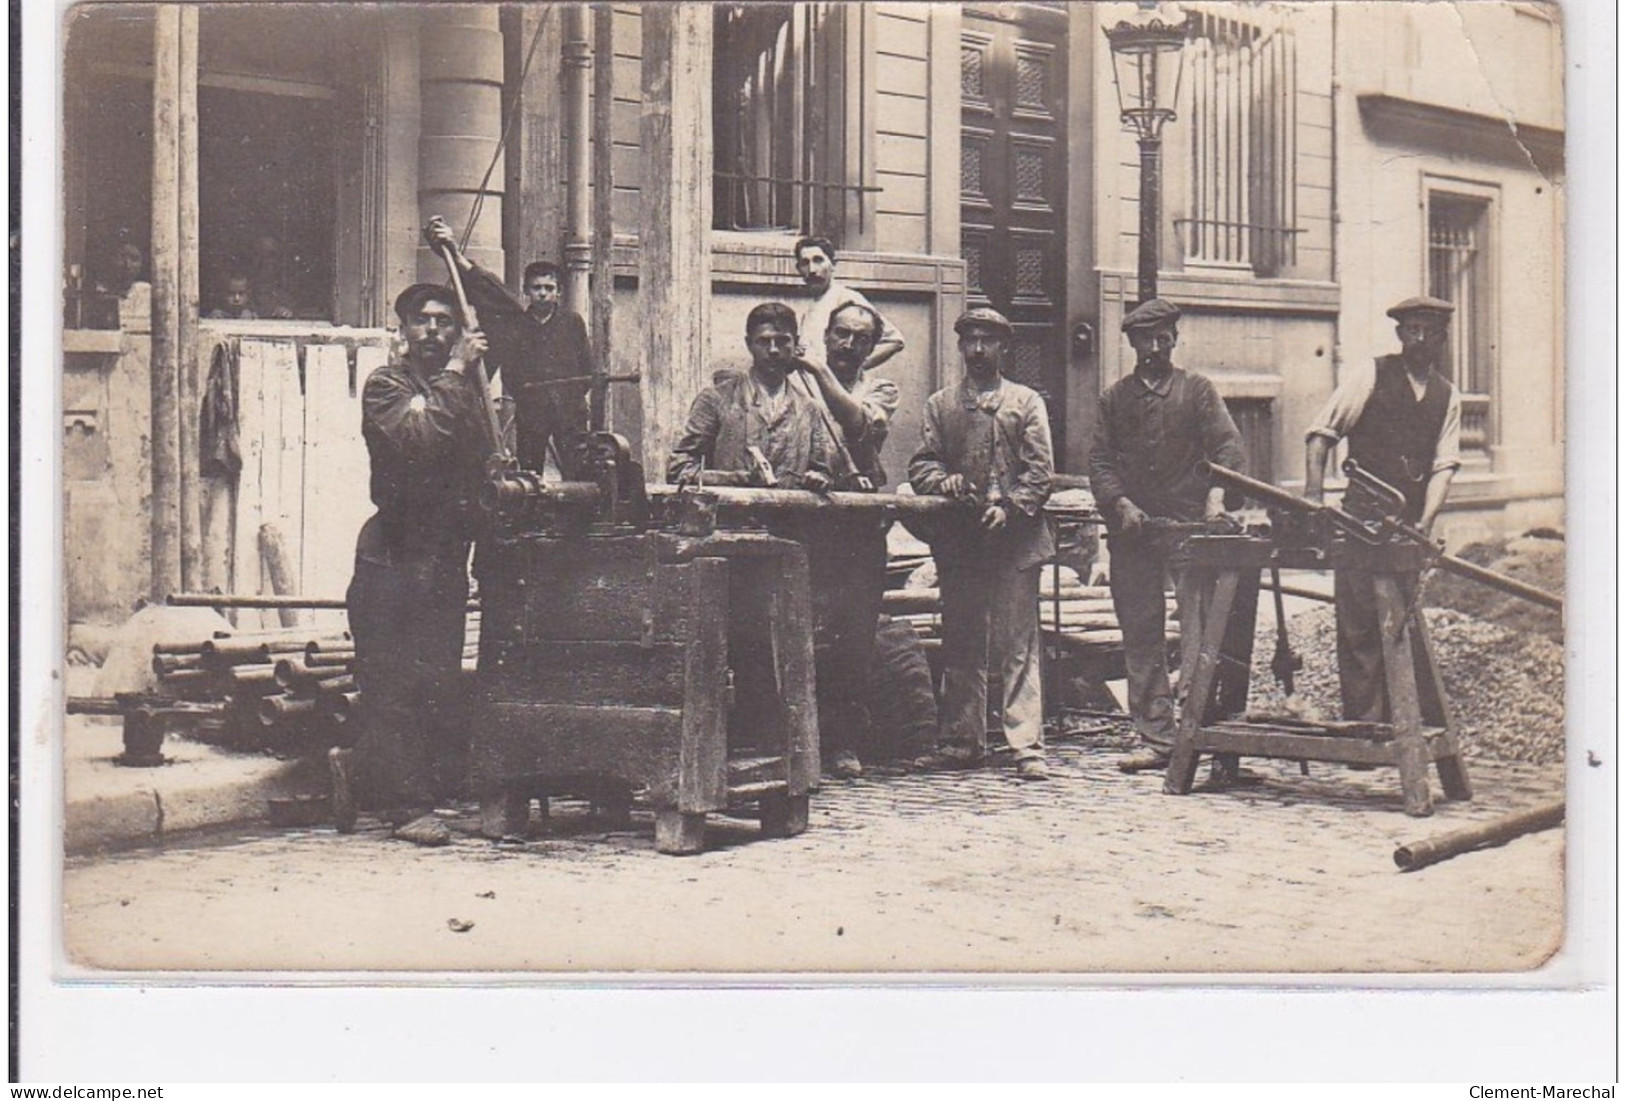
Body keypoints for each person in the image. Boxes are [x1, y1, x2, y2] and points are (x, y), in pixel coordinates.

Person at [335, 282, 490, 846]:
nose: (433, 330)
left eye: (444, 322)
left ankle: (358, 772)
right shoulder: (387, 386)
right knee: (393, 682)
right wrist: (456, 374)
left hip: (444, 556)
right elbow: (419, 439)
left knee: (435, 683)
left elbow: (475, 463)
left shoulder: (462, 388)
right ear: (402, 329)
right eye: (422, 320)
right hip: (392, 559)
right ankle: (405, 808)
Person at [1087, 298, 1245, 772]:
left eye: (1163, 339)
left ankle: (1200, 730)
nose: (1155, 348)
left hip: (1189, 532)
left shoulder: (1197, 391)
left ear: (1174, 340)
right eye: (1145, 340)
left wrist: (1216, 498)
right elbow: (1098, 462)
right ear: (1132, 343)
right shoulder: (1114, 399)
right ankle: (1156, 736)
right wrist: (1120, 503)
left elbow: (1229, 448)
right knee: (1141, 632)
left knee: (1200, 633)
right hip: (1134, 534)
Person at [909, 307, 1056, 781]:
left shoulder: (1026, 402)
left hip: (1016, 542)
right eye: (970, 340)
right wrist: (943, 480)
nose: (977, 350)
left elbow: (1040, 473)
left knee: (1018, 644)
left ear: (1003, 348)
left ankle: (1025, 745)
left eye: (987, 341)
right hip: (964, 544)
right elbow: (921, 466)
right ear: (960, 347)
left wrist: (1011, 508)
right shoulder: (941, 405)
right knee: (963, 643)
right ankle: (962, 740)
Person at [1305, 294, 1461, 723]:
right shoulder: (1371, 373)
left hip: (1406, 524)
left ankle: (1405, 720)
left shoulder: (1447, 396)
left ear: (1442, 339)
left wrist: (1425, 524)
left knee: (1403, 623)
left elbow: (1443, 467)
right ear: (1400, 334)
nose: (1421, 339)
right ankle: (1365, 724)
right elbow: (1321, 435)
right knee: (1358, 624)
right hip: (1360, 519)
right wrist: (1313, 497)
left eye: (1430, 332)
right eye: (1413, 330)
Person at [786, 303, 901, 778]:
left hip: (858, 527)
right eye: (840, 334)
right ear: (827, 334)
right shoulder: (793, 382)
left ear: (872, 348)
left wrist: (817, 372)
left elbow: (859, 425)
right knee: (802, 632)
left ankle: (843, 744)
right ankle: (798, 741)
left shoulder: (880, 387)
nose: (848, 345)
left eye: (859, 338)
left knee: (854, 638)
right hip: (807, 522)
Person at [426, 218, 592, 479]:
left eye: (549, 288)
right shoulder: (516, 325)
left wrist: (568, 394)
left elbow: (586, 366)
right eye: (537, 288)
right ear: (527, 291)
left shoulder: (572, 322)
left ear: (559, 292)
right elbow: (489, 290)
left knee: (579, 470)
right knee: (529, 471)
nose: (543, 294)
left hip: (570, 410)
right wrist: (525, 394)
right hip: (531, 409)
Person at [667, 301, 834, 492]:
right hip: (729, 518)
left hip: (789, 519)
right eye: (763, 341)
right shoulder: (716, 399)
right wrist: (736, 479)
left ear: (795, 342)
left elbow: (823, 471)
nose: (773, 350)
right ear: (749, 344)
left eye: (782, 341)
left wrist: (818, 478)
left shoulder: (809, 409)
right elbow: (678, 469)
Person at [792, 236, 905, 375]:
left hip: (837, 390)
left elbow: (895, 340)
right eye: (804, 263)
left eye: (818, 260)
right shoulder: (809, 311)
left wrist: (854, 368)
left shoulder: (847, 298)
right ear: (798, 269)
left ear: (833, 264)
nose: (812, 269)